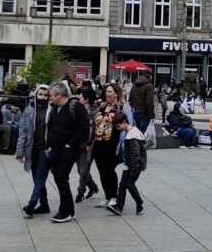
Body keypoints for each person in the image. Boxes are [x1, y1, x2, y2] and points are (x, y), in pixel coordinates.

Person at [43, 81, 91, 223]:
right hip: (55, 149)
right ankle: (66, 208)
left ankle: (67, 211)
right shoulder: (54, 109)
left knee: (62, 177)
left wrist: (70, 144)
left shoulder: (75, 106)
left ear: (59, 94)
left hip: (69, 149)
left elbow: (84, 129)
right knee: (58, 177)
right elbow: (52, 128)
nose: (49, 98)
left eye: (51, 95)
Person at [90, 83, 130, 207]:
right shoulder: (102, 106)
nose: (107, 94)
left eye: (110, 91)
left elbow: (128, 125)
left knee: (109, 170)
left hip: (113, 144)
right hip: (98, 143)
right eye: (106, 91)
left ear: (116, 94)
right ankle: (108, 196)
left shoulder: (123, 107)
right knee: (102, 171)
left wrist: (124, 145)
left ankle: (114, 196)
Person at [16, 84, 52, 217]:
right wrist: (20, 152)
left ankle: (31, 204)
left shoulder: (52, 110)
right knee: (37, 178)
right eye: (40, 94)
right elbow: (23, 131)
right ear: (36, 94)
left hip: (46, 149)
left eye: (46, 95)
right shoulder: (29, 110)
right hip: (32, 149)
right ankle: (44, 204)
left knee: (40, 177)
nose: (43, 97)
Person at [107, 112, 148, 216]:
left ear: (124, 122)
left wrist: (134, 168)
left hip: (135, 165)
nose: (117, 128)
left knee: (130, 184)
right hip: (129, 164)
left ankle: (140, 204)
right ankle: (119, 207)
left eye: (118, 126)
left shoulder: (133, 135)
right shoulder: (129, 132)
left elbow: (136, 153)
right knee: (122, 185)